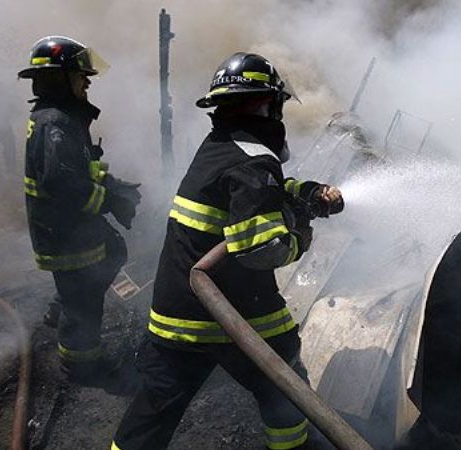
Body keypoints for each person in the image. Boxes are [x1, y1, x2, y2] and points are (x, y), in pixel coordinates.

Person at [111, 52, 343, 450]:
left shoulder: (221, 146)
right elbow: (262, 248)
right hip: (234, 309)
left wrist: (303, 191)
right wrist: (300, 238)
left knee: (153, 410)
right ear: (267, 104)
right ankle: (293, 447)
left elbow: (250, 193)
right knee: (284, 384)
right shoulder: (254, 160)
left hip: (176, 310)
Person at [18, 36, 142, 385]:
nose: (87, 82)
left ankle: (61, 305)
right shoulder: (54, 123)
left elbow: (80, 170)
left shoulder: (62, 118)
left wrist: (114, 186)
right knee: (84, 300)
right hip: (63, 232)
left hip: (72, 226)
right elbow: (63, 185)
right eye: (80, 75)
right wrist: (111, 201)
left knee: (113, 252)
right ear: (60, 79)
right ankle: (81, 364)